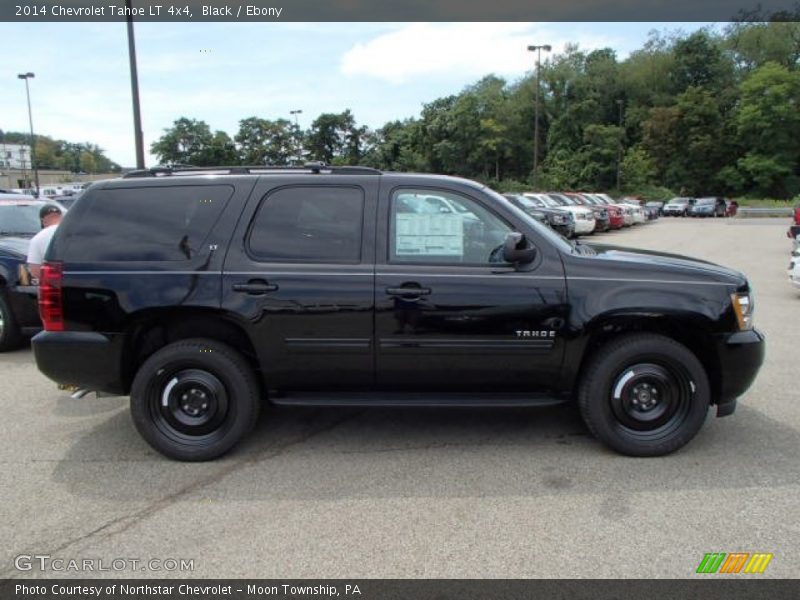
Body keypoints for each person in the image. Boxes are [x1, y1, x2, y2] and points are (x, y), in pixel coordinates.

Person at [26, 204, 62, 282]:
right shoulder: (75, 233)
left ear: (42, 221)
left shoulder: (37, 239)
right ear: (61, 217)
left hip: (54, 285)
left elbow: (35, 271)